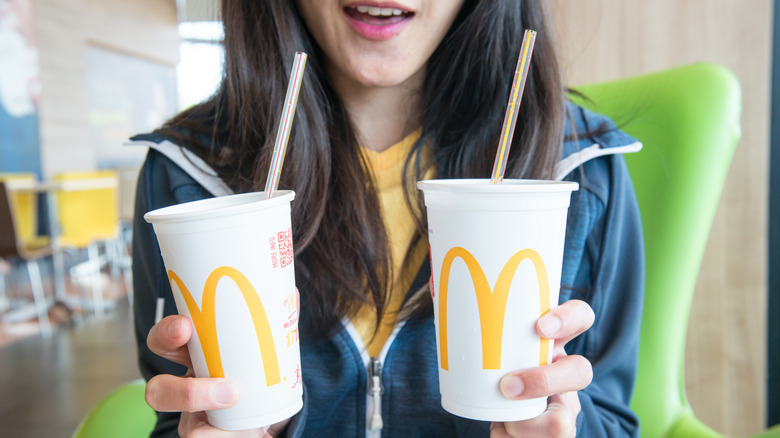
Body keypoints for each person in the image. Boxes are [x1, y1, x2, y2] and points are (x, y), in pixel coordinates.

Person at [130, 0, 645, 436]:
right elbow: (173, 418)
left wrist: (565, 426)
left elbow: (617, 422)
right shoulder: (185, 175)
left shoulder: (584, 170)